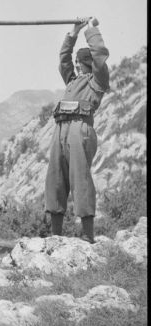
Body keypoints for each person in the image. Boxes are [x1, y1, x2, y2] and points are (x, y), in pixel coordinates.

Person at [44, 17, 110, 243]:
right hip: (60, 129)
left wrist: (91, 30)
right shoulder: (72, 81)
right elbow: (63, 60)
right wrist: (73, 33)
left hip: (80, 130)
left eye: (79, 61)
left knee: (80, 178)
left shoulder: (97, 81)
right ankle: (55, 235)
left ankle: (87, 236)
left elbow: (100, 54)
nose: (75, 63)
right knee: (55, 179)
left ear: (86, 63)